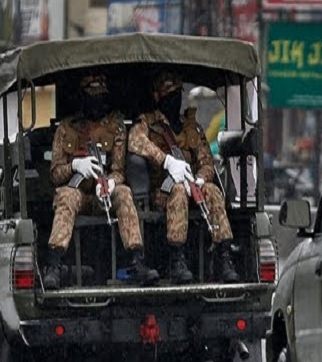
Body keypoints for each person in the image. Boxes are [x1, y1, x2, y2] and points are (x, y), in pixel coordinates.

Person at [42, 75, 158, 289]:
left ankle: (136, 259)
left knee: (123, 192)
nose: (97, 103)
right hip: (78, 195)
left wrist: (110, 183)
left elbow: (119, 170)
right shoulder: (66, 129)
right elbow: (55, 174)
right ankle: (54, 264)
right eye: (92, 96)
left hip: (102, 195)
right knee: (66, 195)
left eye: (100, 97)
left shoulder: (115, 127)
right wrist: (76, 166)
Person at [129, 72, 239, 284]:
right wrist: (167, 161)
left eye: (177, 93)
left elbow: (206, 161)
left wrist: (199, 179)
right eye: (168, 94)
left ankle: (223, 255)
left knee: (213, 191)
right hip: (162, 192)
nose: (174, 99)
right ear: (157, 96)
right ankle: (177, 259)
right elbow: (135, 141)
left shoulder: (191, 127)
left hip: (192, 189)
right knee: (177, 190)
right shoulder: (147, 123)